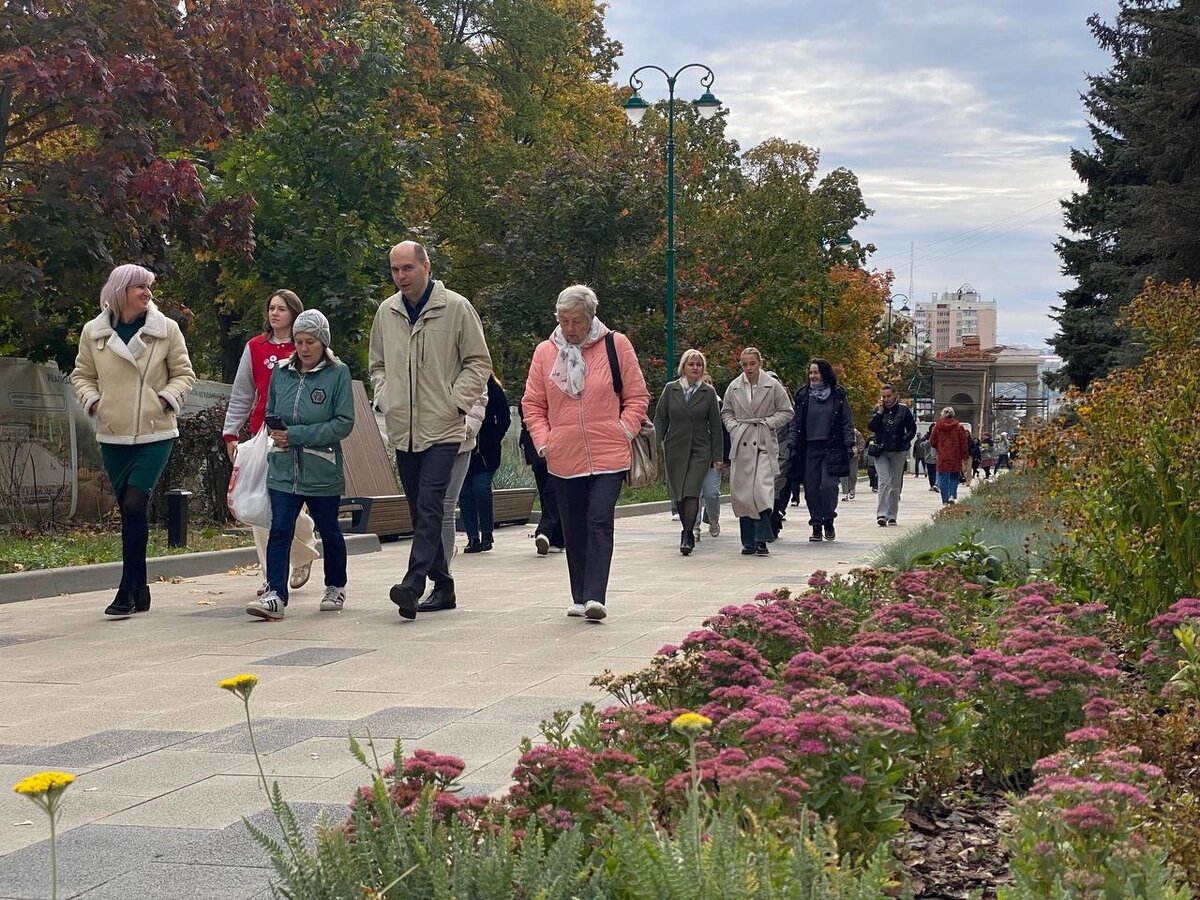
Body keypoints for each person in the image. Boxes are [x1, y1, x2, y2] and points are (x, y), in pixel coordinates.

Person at [369, 240, 491, 620]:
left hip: (443, 428)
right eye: (395, 270)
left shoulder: (455, 307)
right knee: (419, 509)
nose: (400, 276)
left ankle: (412, 583)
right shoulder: (386, 312)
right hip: (403, 429)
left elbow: (479, 362)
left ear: (426, 266)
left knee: (431, 503)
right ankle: (445, 585)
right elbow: (377, 365)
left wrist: (455, 403)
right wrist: (386, 398)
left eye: (407, 268)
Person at [71, 264, 196, 617]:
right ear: (120, 290)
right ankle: (140, 592)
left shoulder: (166, 330)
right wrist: (94, 402)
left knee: (134, 506)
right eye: (140, 286)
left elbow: (185, 374)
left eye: (149, 286)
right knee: (128, 510)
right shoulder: (93, 333)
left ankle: (125, 591)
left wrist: (165, 399)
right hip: (113, 434)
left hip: (156, 431)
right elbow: (81, 375)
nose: (148, 292)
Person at [522, 285, 649, 620]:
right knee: (574, 526)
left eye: (576, 321)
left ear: (590, 317)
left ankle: (595, 596)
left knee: (598, 519)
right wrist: (545, 441)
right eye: (564, 321)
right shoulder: (545, 353)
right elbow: (533, 405)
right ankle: (579, 595)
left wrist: (624, 429)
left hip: (609, 452)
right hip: (563, 455)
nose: (570, 328)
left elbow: (637, 397)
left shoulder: (615, 344)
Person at [245, 311, 353, 620]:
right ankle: (275, 595)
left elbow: (343, 423)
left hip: (321, 469)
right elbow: (272, 408)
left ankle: (335, 585)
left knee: (330, 530)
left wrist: (297, 435)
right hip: (283, 467)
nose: (304, 348)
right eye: (299, 341)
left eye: (311, 342)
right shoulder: (282, 371)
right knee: (279, 529)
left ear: (323, 343)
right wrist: (277, 430)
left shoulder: (338, 374)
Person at [222, 289, 319, 597]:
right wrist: (230, 433)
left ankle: (304, 549)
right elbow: (242, 393)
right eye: (271, 308)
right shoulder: (255, 347)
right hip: (263, 433)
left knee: (292, 503)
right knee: (260, 504)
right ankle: (270, 576)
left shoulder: (304, 346)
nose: (275, 313)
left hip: (298, 435)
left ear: (294, 312)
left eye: (282, 308)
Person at [722, 348, 793, 556]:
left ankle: (762, 539)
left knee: (761, 493)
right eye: (744, 364)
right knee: (743, 494)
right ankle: (748, 541)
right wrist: (734, 428)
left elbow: (787, 411)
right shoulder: (734, 387)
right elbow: (726, 411)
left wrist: (769, 423)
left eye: (752, 363)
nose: (748, 368)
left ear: (759, 363)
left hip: (763, 443)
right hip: (742, 443)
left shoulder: (773, 386)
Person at [653, 349, 723, 556]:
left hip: (700, 449)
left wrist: (718, 456)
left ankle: (687, 533)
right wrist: (655, 447)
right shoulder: (670, 389)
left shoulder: (708, 393)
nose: (695, 368)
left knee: (692, 491)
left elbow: (716, 426)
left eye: (699, 365)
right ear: (683, 367)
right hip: (675, 448)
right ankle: (687, 528)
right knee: (680, 494)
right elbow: (660, 419)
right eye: (691, 364)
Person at [430, 383, 487, 611]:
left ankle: (443, 574)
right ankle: (436, 561)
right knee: (427, 506)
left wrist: (468, 426)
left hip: (460, 441)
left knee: (445, 506)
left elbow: (479, 392)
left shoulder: (466, 349)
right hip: (426, 440)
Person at [787, 358, 855, 542]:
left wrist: (850, 443)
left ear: (824, 373)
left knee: (829, 485)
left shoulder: (838, 394)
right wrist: (792, 445)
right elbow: (795, 422)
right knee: (811, 488)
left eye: (816, 372)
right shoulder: (803, 395)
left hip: (832, 447)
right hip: (808, 447)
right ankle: (816, 523)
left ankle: (829, 520)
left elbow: (847, 421)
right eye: (810, 373)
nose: (813, 376)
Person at [460, 374, 511, 554]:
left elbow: (505, 417)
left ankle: (487, 533)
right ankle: (472, 537)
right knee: (465, 492)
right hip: (463, 447)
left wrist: (494, 438)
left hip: (486, 452)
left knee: (481, 488)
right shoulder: (458, 381)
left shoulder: (492, 387)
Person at [868, 384, 918, 527]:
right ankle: (881, 514)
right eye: (883, 396)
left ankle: (892, 515)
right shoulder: (878, 410)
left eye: (889, 396)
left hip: (898, 450)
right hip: (881, 450)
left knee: (895, 484)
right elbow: (871, 427)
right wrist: (879, 413)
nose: (886, 399)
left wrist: (903, 440)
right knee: (883, 481)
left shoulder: (904, 410)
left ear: (895, 395)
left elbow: (911, 429)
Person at [519, 411, 564, 554]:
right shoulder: (532, 390)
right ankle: (555, 537)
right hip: (538, 444)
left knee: (552, 489)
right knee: (545, 489)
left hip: (560, 441)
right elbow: (526, 410)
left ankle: (546, 530)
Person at [696, 372, 727, 539]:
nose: (708, 385)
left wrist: (723, 457)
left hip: (713, 457)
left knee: (711, 493)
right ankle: (694, 527)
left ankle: (713, 519)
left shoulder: (721, 405)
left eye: (710, 381)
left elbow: (724, 433)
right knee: (694, 493)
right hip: (694, 457)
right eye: (704, 382)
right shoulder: (692, 402)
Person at [928, 406, 970, 504]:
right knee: (954, 476)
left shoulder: (938, 426)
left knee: (943, 477)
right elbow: (964, 442)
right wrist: (965, 456)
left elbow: (932, 441)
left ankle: (945, 500)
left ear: (943, 414)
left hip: (943, 455)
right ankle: (952, 495)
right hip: (955, 455)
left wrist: (939, 447)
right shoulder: (959, 426)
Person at [841, 428, 865, 501]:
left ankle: (852, 489)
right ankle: (845, 493)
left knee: (853, 474)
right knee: (843, 475)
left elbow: (862, 442)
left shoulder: (856, 432)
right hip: (842, 455)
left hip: (853, 456)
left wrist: (858, 450)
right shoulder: (839, 431)